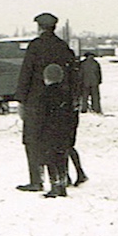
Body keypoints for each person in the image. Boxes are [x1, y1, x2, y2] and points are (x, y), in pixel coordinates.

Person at [13, 12, 76, 192]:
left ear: (39, 27)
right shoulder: (63, 47)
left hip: (36, 104)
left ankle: (37, 180)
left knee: (32, 142)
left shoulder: (36, 46)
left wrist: (21, 100)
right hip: (61, 103)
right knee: (58, 142)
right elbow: (73, 75)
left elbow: (26, 73)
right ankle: (60, 180)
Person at [36, 63, 79, 198]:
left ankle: (55, 185)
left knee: (50, 159)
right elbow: (73, 115)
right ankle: (62, 182)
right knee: (61, 158)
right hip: (64, 131)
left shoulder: (44, 95)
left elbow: (41, 116)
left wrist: (39, 133)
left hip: (49, 132)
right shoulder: (66, 93)